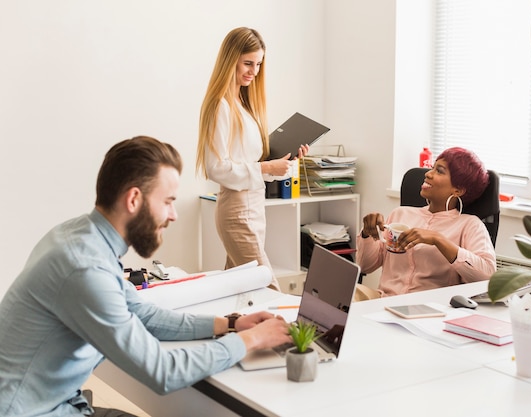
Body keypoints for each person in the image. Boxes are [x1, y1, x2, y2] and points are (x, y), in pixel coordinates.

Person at [0, 136, 291, 417]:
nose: (174, 214)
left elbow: (141, 314)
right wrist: (250, 340)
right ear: (134, 199)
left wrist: (231, 324)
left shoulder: (82, 236)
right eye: (167, 201)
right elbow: (163, 372)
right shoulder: (85, 267)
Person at [196, 27, 308, 291]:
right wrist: (267, 166)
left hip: (254, 208)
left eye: (258, 64)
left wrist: (284, 161)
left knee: (240, 294)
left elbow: (253, 163)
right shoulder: (220, 106)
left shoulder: (244, 106)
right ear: (230, 59)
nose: (254, 71)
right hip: (237, 211)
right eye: (248, 63)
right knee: (269, 290)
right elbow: (215, 168)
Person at [356, 147, 497, 298]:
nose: (428, 174)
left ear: (458, 190)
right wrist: (367, 234)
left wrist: (439, 240)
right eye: (432, 168)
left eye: (439, 171)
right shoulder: (400, 213)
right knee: (341, 294)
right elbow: (365, 266)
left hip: (431, 308)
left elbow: (488, 278)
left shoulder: (470, 225)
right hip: (383, 299)